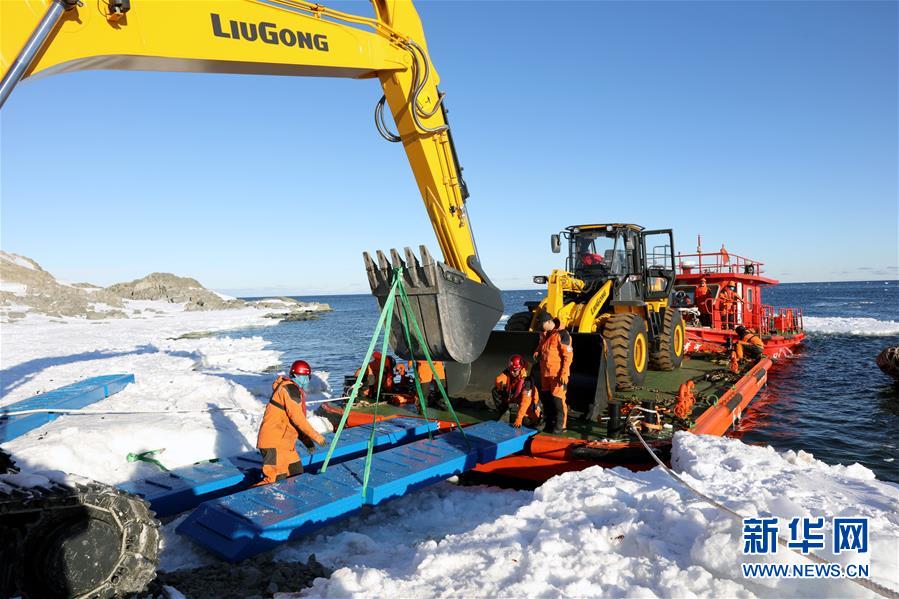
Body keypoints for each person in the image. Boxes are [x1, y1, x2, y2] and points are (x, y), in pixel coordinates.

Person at [256, 360, 325, 485]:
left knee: (296, 471)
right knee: (274, 480)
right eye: (307, 377)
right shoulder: (289, 389)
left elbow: (294, 421)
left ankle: (289, 499)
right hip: (273, 444)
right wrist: (316, 436)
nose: (308, 380)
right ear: (299, 376)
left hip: (285, 445)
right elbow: (298, 418)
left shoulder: (293, 389)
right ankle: (256, 500)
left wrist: (306, 440)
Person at [533, 311, 573, 434]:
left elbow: (568, 355)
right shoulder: (543, 334)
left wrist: (564, 373)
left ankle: (561, 425)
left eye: (541, 324)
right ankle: (547, 421)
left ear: (549, 322)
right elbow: (541, 346)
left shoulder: (562, 334)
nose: (540, 327)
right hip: (545, 373)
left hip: (557, 374)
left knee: (558, 400)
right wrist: (537, 352)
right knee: (546, 398)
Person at [491, 354, 542, 428]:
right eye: (510, 370)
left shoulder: (527, 382)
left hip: (528, 407)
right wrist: (500, 384)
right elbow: (500, 378)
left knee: (526, 421)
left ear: (520, 368)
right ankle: (504, 412)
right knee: (496, 390)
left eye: (514, 371)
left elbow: (525, 402)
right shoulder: (511, 371)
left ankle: (519, 416)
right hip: (515, 399)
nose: (512, 372)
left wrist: (519, 419)